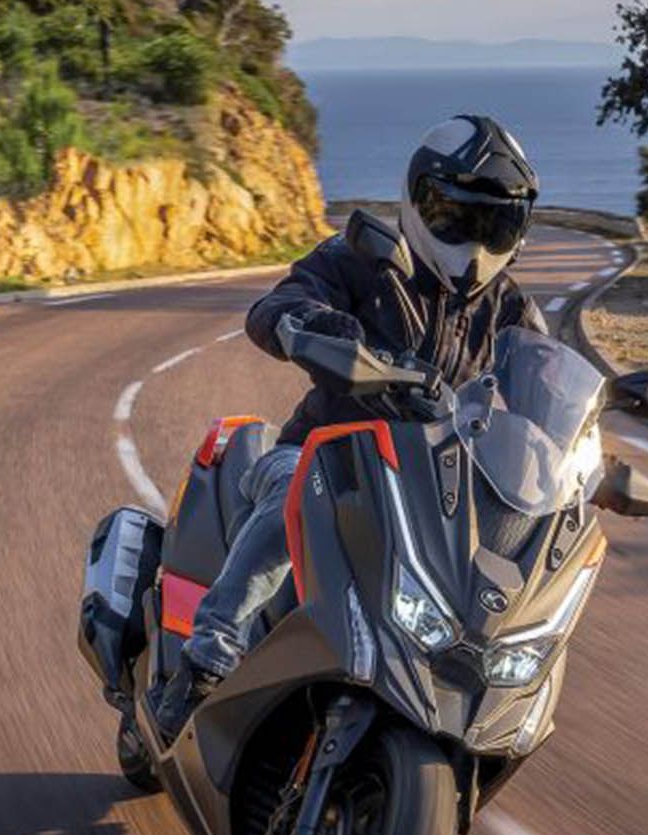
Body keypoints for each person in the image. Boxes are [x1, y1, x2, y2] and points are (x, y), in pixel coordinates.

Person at [156, 114, 550, 744]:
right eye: (457, 217)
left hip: (434, 493)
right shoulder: (363, 258)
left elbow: (546, 383)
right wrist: (315, 327)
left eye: (492, 224)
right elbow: (277, 306)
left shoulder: (509, 310)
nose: (475, 242)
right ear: (419, 200)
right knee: (294, 492)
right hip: (328, 456)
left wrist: (589, 447)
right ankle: (207, 659)